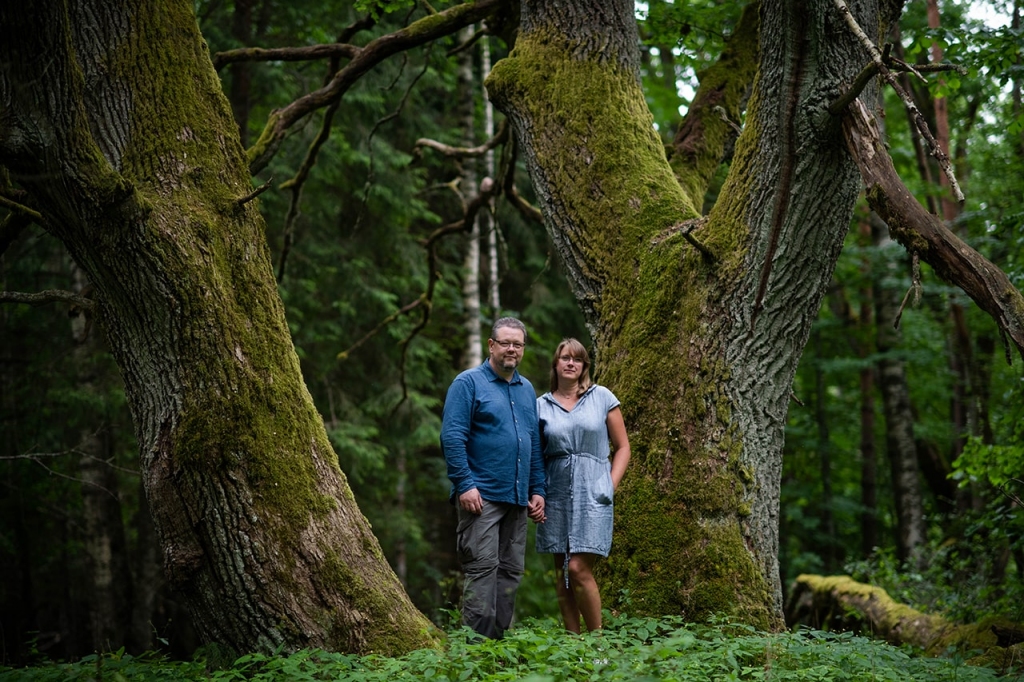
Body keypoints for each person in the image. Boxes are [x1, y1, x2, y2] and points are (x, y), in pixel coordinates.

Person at [440, 317, 546, 639]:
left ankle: (498, 653)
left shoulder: (526, 389)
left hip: (517, 499)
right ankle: (474, 653)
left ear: (523, 349)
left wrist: (538, 489)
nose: (511, 349)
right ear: (491, 345)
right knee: (482, 574)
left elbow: (533, 443)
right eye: (505, 342)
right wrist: (465, 483)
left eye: (518, 344)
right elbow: (452, 436)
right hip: (481, 499)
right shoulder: (468, 383)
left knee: (510, 577)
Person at [536, 338, 630, 633]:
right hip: (556, 492)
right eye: (565, 357)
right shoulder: (540, 405)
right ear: (556, 363)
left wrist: (610, 485)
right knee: (561, 573)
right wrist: (536, 493)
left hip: (594, 492)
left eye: (577, 359)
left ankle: (597, 644)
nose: (571, 363)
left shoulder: (601, 396)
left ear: (584, 366)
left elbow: (623, 447)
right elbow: (535, 455)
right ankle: (573, 647)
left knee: (577, 567)